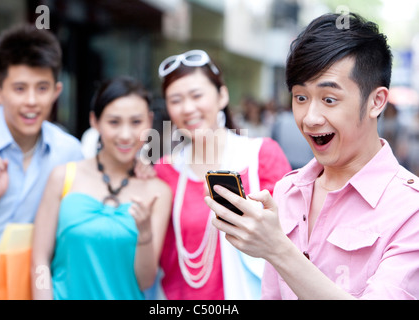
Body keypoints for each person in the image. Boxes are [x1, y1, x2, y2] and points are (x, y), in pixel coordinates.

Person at [205, 13, 419, 299]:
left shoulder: (410, 210)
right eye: (300, 97)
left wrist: (277, 249)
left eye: (329, 99)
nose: (310, 118)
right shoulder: (286, 191)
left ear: (376, 101)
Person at [153, 49, 291, 299]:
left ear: (222, 95)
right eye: (175, 100)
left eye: (197, 95)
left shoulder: (262, 156)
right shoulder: (163, 171)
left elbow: (292, 239)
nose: (188, 108)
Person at [0, 24, 84, 299]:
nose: (32, 101)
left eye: (42, 88)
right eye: (19, 88)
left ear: (57, 91)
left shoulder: (70, 152)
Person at [31, 77, 172, 300]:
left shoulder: (158, 191)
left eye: (136, 122)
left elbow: (145, 281)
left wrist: (145, 233)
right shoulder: (63, 177)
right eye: (114, 122)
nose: (125, 135)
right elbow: (39, 261)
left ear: (149, 122)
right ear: (94, 121)